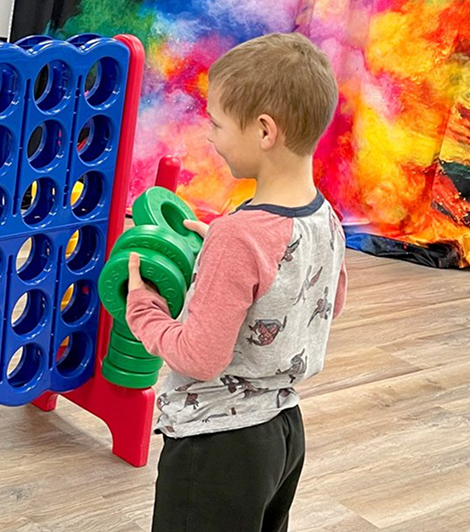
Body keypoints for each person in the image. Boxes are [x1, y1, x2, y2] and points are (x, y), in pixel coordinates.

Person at [124, 32, 348, 532]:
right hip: (284, 433)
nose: (211, 136)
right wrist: (224, 262)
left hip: (217, 444)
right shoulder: (325, 217)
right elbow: (323, 301)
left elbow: (200, 357)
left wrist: (143, 307)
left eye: (217, 123)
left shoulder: (239, 236)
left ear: (264, 131)